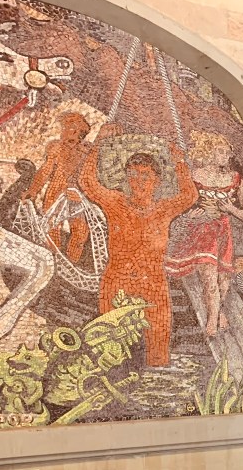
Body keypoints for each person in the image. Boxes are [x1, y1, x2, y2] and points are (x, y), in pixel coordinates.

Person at [79, 139, 198, 367]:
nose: (138, 181)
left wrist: (180, 162)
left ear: (156, 180)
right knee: (111, 346)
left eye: (145, 176)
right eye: (133, 175)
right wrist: (96, 148)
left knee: (157, 347)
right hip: (118, 280)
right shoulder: (115, 202)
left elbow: (189, 196)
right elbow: (87, 183)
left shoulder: (163, 209)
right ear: (126, 178)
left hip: (153, 282)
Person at [164, 130, 243, 337]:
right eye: (221, 152)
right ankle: (212, 320)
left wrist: (231, 209)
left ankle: (218, 312)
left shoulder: (235, 180)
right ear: (208, 151)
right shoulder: (195, 176)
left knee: (224, 280)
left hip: (223, 231)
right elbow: (177, 204)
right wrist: (188, 216)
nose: (225, 156)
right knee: (209, 277)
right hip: (202, 231)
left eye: (227, 153)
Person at [23, 112, 91, 264]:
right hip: (56, 191)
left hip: (76, 195)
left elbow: (90, 178)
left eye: (70, 128)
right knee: (52, 227)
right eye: (65, 127)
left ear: (79, 132)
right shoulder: (55, 148)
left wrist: (84, 194)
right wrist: (33, 190)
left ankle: (70, 262)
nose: (65, 131)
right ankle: (51, 260)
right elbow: (45, 170)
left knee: (81, 231)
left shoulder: (87, 152)